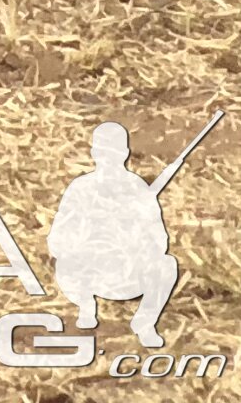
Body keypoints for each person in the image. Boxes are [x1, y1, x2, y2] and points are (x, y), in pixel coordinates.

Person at [47, 123, 183, 347]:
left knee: (167, 265)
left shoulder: (138, 189)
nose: (108, 160)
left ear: (125, 154)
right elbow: (57, 240)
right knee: (67, 262)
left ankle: (145, 323)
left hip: (126, 274)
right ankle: (86, 306)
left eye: (113, 153)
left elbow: (160, 242)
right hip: (88, 275)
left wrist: (132, 235)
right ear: (94, 154)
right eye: (104, 153)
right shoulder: (80, 188)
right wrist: (87, 238)